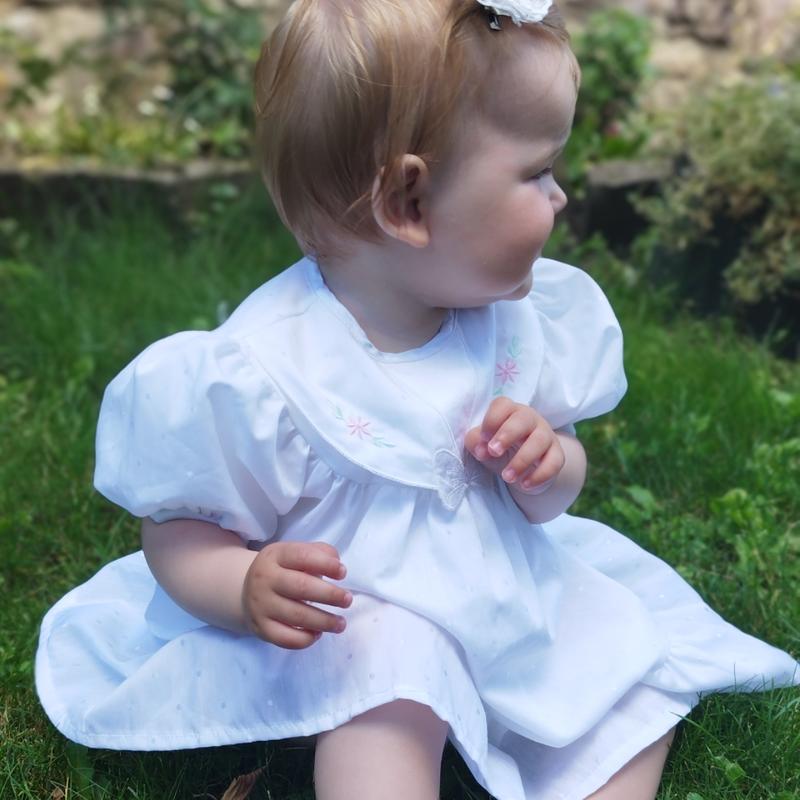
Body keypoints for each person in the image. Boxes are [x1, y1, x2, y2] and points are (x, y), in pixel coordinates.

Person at [34, 1, 799, 798]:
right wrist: (244, 585)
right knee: (394, 674)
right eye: (537, 173)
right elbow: (178, 534)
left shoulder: (513, 322)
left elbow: (556, 496)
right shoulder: (268, 375)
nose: (561, 197)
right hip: (350, 627)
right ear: (408, 202)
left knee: (628, 676)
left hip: (505, 598)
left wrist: (550, 462)